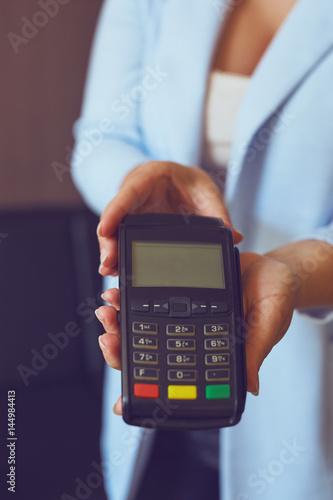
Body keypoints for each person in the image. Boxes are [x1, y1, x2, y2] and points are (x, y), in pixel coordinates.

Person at [72, 0, 333, 498]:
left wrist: (291, 272)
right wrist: (135, 180)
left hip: (308, 386)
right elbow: (98, 139)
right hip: (153, 362)